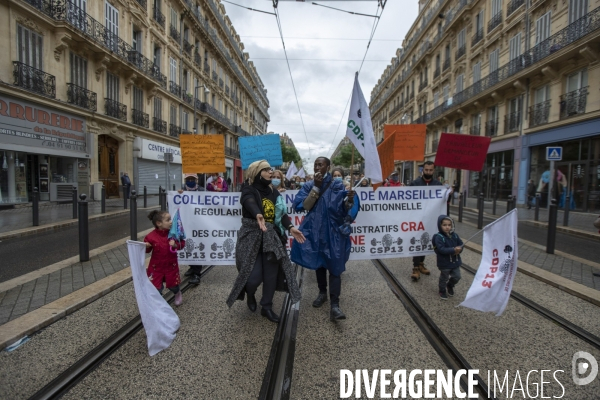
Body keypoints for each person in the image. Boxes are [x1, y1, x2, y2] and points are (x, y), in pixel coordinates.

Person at [226, 160, 305, 323]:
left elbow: (281, 214)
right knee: (253, 277)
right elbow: (249, 201)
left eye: (271, 169)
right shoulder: (248, 188)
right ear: (257, 172)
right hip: (252, 236)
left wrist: (290, 227)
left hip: (271, 237)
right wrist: (257, 214)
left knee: (271, 274)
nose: (271, 172)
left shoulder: (273, 192)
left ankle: (266, 307)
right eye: (267, 170)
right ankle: (250, 293)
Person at [291, 157, 360, 322]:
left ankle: (335, 305)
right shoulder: (308, 186)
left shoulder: (338, 186)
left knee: (335, 266)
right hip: (315, 231)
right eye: (315, 164)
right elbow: (300, 206)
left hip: (334, 233)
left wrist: (349, 199)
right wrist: (316, 187)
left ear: (328, 167)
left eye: (320, 164)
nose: (317, 167)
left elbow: (345, 208)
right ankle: (322, 293)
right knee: (319, 263)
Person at [407, 161, 444, 281]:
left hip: (430, 219)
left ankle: (421, 263)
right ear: (423, 170)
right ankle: (415, 267)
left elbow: (443, 201)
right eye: (426, 170)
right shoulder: (415, 184)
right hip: (417, 218)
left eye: (430, 170)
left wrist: (448, 194)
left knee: (426, 240)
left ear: (434, 170)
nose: (428, 172)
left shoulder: (437, 184)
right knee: (417, 240)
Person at [144, 210, 186, 306]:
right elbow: (147, 250)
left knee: (173, 286)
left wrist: (175, 245)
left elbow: (182, 243)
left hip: (170, 266)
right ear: (159, 223)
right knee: (156, 287)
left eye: (170, 219)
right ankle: (159, 303)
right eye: (168, 220)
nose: (171, 222)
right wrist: (146, 246)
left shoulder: (174, 234)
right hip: (156, 267)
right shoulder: (150, 236)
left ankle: (177, 293)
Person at [178, 174, 205, 285]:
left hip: (198, 223)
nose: (190, 181)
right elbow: (173, 205)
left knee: (197, 246)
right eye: (188, 179)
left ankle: (197, 273)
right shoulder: (181, 191)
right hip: (186, 223)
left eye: (192, 179)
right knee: (187, 245)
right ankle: (192, 267)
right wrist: (178, 195)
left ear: (196, 180)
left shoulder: (203, 190)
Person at [431, 215, 463, 300]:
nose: (447, 227)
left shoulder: (455, 235)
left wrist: (460, 249)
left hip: (455, 262)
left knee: (457, 276)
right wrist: (453, 250)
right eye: (444, 225)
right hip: (444, 262)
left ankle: (450, 285)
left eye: (449, 225)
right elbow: (441, 249)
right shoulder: (439, 237)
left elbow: (461, 244)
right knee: (444, 278)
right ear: (440, 226)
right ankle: (442, 290)